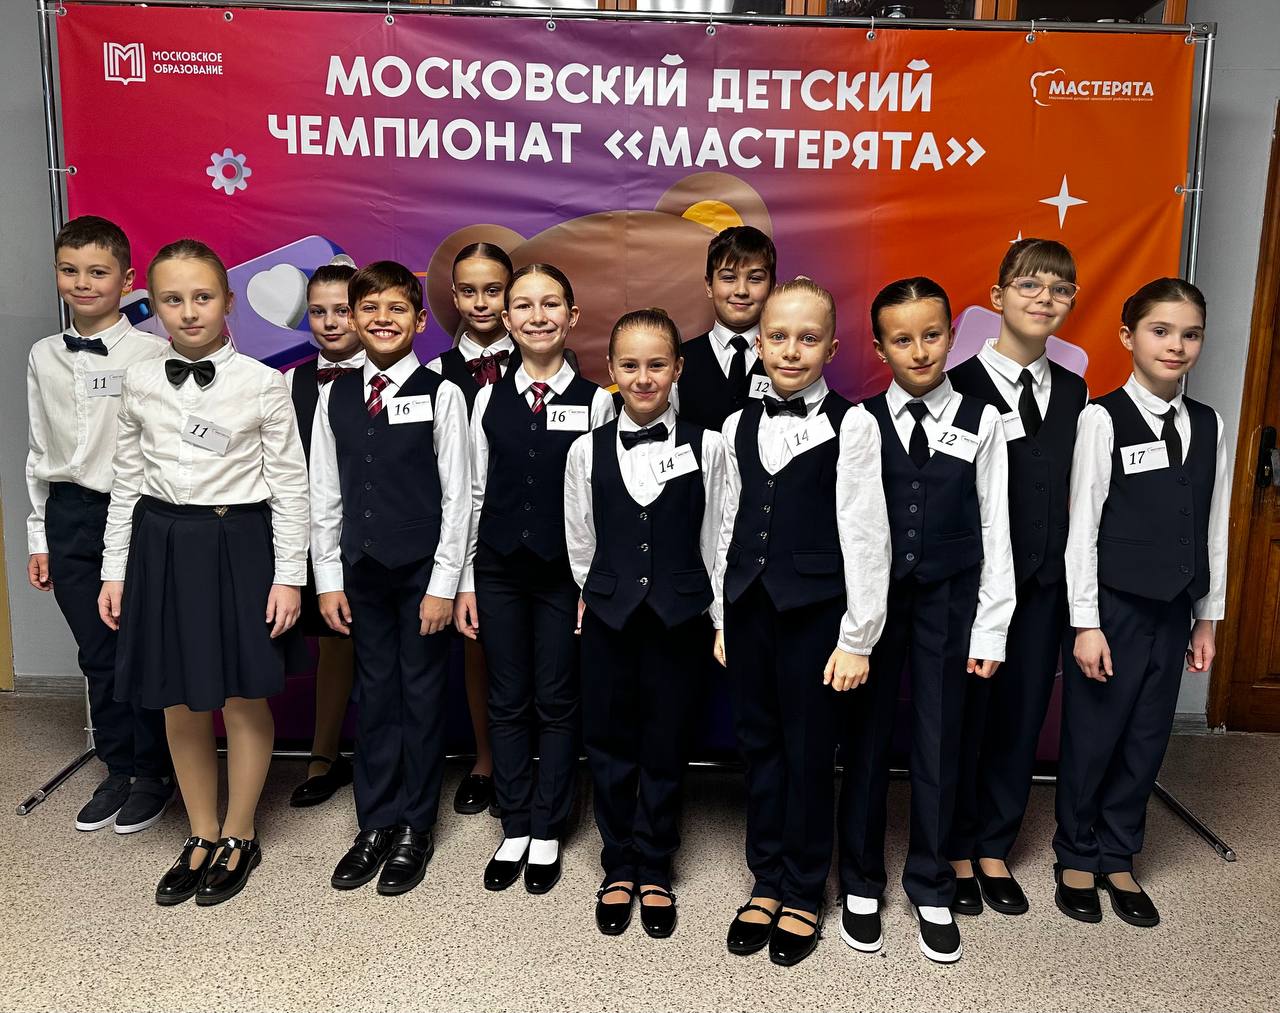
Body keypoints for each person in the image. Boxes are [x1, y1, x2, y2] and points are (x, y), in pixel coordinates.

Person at [98, 239, 309, 906]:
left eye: (202, 296)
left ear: (228, 301)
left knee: (243, 695)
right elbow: (126, 481)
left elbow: (291, 487)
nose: (189, 311)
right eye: (172, 299)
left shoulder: (263, 384)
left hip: (238, 542)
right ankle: (200, 830)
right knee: (179, 697)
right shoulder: (138, 382)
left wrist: (289, 576)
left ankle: (239, 832)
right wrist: (114, 570)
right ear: (154, 306)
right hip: (162, 543)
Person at [715, 278, 890, 967]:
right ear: (759, 343)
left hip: (817, 617)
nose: (792, 350)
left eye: (808, 338)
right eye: (779, 336)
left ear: (832, 348)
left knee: (810, 753)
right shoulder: (736, 425)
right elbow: (726, 525)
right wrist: (721, 616)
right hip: (749, 609)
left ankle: (805, 887)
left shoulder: (855, 425)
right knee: (759, 748)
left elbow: (867, 536)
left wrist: (858, 637)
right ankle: (766, 877)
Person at [841, 277, 1015, 964]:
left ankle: (932, 881)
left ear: (951, 335)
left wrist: (992, 625)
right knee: (865, 739)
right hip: (876, 603)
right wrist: (855, 627)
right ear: (879, 347)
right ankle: (860, 880)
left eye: (932, 335)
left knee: (942, 741)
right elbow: (853, 528)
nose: (919, 350)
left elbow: (996, 525)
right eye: (902, 339)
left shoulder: (983, 419)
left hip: (950, 599)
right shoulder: (861, 421)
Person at [1054, 278, 1228, 929]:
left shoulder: (1209, 423)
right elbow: (1082, 529)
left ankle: (1118, 852)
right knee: (1095, 732)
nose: (1176, 345)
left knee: (1148, 735)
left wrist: (1208, 615)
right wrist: (1086, 623)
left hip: (1173, 609)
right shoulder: (1103, 418)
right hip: (1114, 609)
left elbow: (1213, 525)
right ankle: (1076, 853)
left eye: (1190, 333)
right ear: (1128, 337)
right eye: (1161, 331)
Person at [310, 260, 471, 896]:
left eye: (397, 308)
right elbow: (325, 493)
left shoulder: (443, 393)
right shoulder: (335, 395)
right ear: (353, 318)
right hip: (361, 572)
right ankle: (374, 822)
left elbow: (458, 497)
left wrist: (443, 585)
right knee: (375, 695)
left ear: (420, 320)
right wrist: (328, 577)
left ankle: (414, 827)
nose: (382, 319)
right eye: (369, 308)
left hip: (421, 574)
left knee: (422, 696)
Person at [565, 308, 726, 939]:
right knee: (608, 742)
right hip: (609, 617)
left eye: (656, 365)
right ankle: (619, 862)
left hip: (678, 617)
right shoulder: (586, 449)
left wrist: (715, 616)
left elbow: (716, 538)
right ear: (610, 369)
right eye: (629, 365)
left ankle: (655, 863)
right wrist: (597, 591)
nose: (643, 378)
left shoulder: (708, 445)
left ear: (678, 368)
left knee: (665, 741)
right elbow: (580, 536)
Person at [456, 263, 615, 895]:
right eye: (523, 305)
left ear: (572, 317)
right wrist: (466, 581)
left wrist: (591, 586)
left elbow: (603, 503)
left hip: (561, 576)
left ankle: (549, 824)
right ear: (507, 318)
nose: (537, 316)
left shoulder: (598, 401)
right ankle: (515, 821)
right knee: (506, 697)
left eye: (551, 304)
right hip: (497, 569)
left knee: (556, 695)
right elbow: (473, 493)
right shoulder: (486, 398)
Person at [946, 239, 1087, 915]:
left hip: (1042, 586)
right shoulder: (956, 385)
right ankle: (952, 843)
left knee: (1021, 715)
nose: (1044, 299)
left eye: (1059, 289)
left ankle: (993, 844)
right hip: (972, 587)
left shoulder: (1077, 392)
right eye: (1030, 285)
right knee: (963, 716)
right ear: (998, 297)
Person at [26, 214, 172, 834]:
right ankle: (118, 766)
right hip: (67, 513)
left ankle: (155, 772)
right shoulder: (43, 355)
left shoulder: (154, 354)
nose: (82, 283)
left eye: (97, 272)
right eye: (70, 271)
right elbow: (40, 446)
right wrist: (39, 534)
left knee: (141, 647)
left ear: (127, 280)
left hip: (132, 512)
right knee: (97, 651)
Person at [426, 242, 518, 816]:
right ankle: (486, 760)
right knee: (477, 646)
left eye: (493, 290)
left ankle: (535, 761)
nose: (481, 302)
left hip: (528, 527)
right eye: (469, 290)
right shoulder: (435, 375)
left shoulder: (546, 361)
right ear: (454, 297)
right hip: (463, 530)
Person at [285, 262, 362, 809]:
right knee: (328, 642)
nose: (331, 322)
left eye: (342, 310)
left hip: (369, 532)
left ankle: (377, 756)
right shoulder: (290, 382)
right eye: (318, 311)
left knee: (367, 645)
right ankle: (323, 753)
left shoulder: (392, 380)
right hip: (309, 532)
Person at [673, 226, 775, 431]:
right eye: (728, 278)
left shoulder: (787, 360)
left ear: (772, 286)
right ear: (709, 285)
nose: (741, 291)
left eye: (755, 279)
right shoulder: (679, 361)